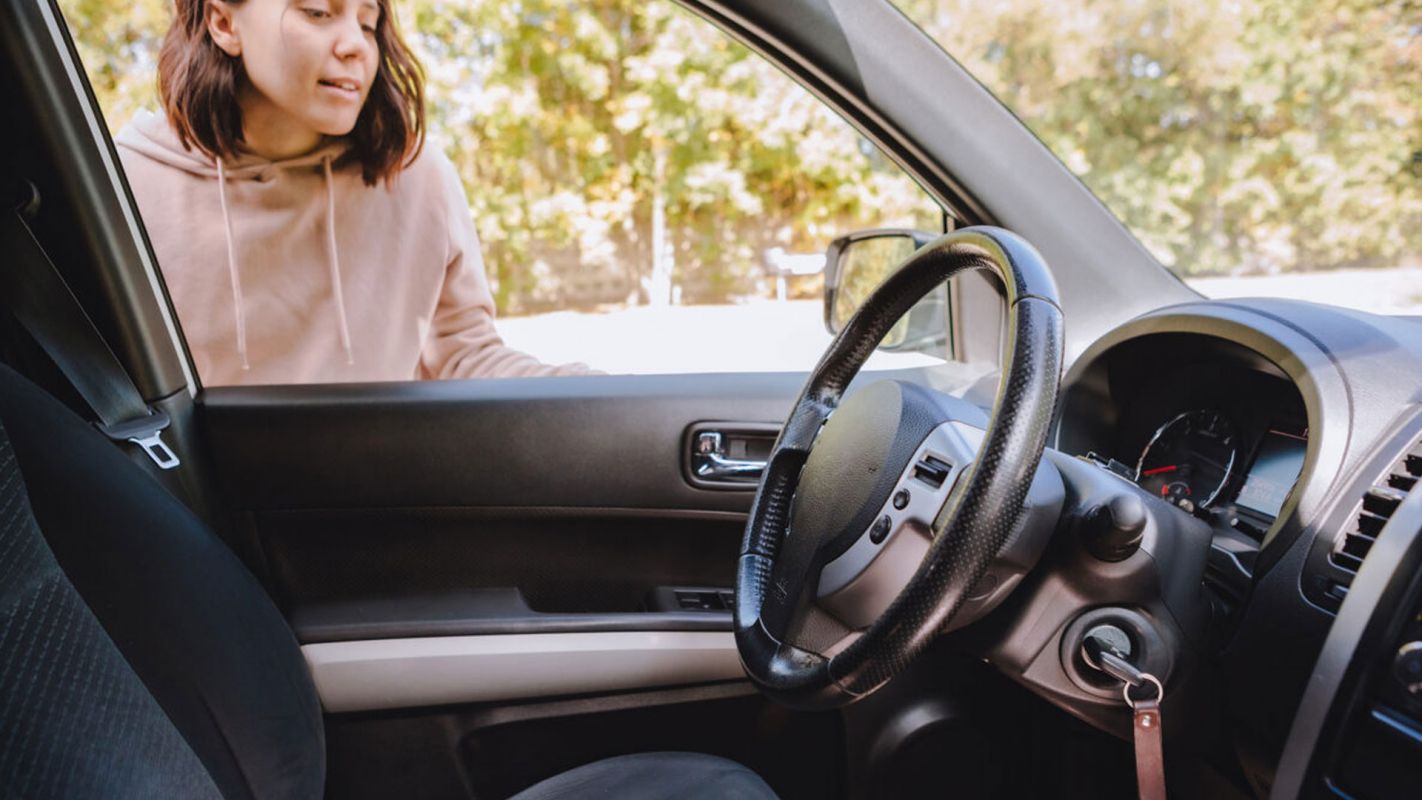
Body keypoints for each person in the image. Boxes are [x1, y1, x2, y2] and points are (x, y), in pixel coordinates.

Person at [115, 0, 591, 385]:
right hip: (188, 502)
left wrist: (600, 393)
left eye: (368, 22)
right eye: (318, 12)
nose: (355, 47)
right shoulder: (126, 189)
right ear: (223, 22)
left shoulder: (414, 177)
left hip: (374, 495)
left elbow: (463, 357)